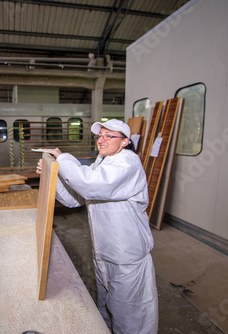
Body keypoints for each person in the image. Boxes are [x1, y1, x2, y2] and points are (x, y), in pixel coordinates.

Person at [36, 119, 158, 334]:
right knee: (108, 306)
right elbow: (76, 199)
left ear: (125, 142)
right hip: (105, 251)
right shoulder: (102, 162)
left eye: (109, 136)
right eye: (100, 135)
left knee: (131, 315)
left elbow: (91, 185)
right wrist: (53, 175)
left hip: (126, 255)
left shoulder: (127, 163)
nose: (102, 140)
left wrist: (64, 158)